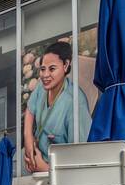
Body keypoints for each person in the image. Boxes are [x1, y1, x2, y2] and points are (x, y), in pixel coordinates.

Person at [22, 40, 91, 174]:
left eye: (52, 69)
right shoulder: (42, 87)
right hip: (35, 161)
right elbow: (30, 110)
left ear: (65, 66)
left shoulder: (76, 104)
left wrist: (45, 169)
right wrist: (28, 138)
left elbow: (79, 160)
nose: (45, 75)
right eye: (42, 69)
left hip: (60, 175)